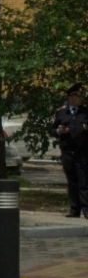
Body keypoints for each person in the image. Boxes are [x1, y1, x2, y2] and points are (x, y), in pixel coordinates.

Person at [50, 83, 88, 218]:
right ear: (70, 98)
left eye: (81, 96)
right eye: (77, 96)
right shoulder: (61, 112)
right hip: (67, 152)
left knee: (84, 181)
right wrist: (59, 131)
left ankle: (86, 209)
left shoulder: (85, 112)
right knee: (72, 181)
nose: (80, 99)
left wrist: (74, 130)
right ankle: (74, 209)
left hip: (83, 152)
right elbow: (52, 130)